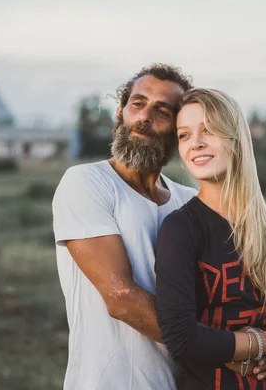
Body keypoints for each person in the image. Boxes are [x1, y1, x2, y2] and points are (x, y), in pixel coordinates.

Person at [52, 64, 198, 390]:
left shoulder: (191, 202)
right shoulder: (87, 182)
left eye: (161, 111)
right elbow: (122, 298)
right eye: (138, 103)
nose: (144, 117)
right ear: (120, 112)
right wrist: (228, 350)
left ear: (180, 129)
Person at [155, 88, 266, 390]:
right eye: (184, 135)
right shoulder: (181, 228)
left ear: (235, 136)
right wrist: (263, 343)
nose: (195, 143)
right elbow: (181, 337)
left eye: (208, 130)